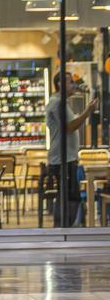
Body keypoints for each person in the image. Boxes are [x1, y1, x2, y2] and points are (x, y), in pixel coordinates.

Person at [47, 71, 94, 228]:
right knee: (69, 197)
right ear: (60, 84)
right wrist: (87, 112)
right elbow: (70, 127)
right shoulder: (57, 103)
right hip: (63, 159)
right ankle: (62, 229)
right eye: (70, 82)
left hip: (67, 158)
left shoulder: (61, 103)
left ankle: (64, 229)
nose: (73, 85)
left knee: (70, 196)